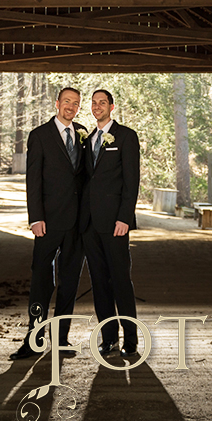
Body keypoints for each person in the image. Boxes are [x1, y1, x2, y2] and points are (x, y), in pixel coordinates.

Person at [10, 86, 87, 360]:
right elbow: (33, 180)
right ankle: (34, 339)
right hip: (49, 222)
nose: (71, 106)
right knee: (42, 280)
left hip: (78, 224)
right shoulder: (39, 135)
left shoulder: (83, 133)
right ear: (57, 103)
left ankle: (62, 339)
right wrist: (35, 218)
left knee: (69, 283)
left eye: (76, 103)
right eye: (67, 101)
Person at [80, 88, 140, 357]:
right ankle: (108, 339)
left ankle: (131, 340)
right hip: (89, 224)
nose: (97, 107)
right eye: (93, 103)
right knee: (99, 283)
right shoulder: (87, 139)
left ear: (112, 107)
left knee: (120, 281)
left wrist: (124, 218)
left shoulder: (126, 137)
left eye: (102, 103)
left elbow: (131, 181)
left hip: (115, 222)